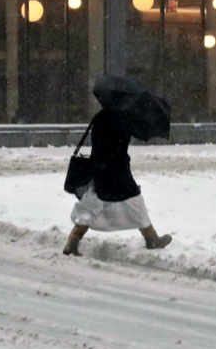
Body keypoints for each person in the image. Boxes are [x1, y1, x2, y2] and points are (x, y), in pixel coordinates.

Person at [63, 108, 171, 256]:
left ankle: (73, 241)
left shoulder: (100, 117)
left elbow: (98, 143)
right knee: (135, 202)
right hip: (118, 171)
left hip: (101, 168)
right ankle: (151, 238)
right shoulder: (123, 118)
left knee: (92, 204)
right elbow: (122, 142)